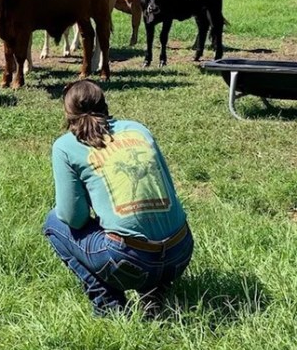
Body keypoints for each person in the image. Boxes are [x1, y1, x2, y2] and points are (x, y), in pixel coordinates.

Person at [43, 80, 192, 317]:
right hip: (180, 252)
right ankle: (154, 295)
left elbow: (74, 218)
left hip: (129, 261)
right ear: (105, 104)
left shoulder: (65, 146)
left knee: (54, 222)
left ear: (67, 112)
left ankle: (108, 305)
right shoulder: (138, 129)